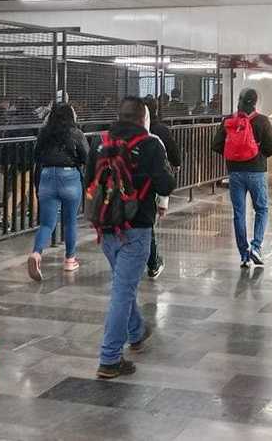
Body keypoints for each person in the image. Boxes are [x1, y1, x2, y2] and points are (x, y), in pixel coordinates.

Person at [88, 97, 176, 379]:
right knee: (122, 292)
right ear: (143, 119)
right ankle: (110, 358)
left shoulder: (99, 142)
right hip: (135, 228)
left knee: (123, 286)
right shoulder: (149, 145)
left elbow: (90, 179)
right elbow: (166, 184)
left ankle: (136, 330)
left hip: (105, 227)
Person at [211, 89, 272, 268]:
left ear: (239, 101)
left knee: (239, 214)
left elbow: (216, 145)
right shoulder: (263, 121)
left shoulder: (228, 121)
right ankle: (255, 247)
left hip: (235, 173)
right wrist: (258, 154)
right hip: (256, 172)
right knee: (262, 210)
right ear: (255, 102)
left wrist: (232, 155)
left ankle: (244, 255)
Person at [28, 104, 88, 280]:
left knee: (47, 224)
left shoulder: (44, 133)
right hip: (69, 176)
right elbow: (86, 156)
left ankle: (36, 253)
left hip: (47, 176)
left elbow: (36, 155)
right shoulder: (76, 133)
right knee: (70, 222)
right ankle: (70, 260)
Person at [145, 98, 182, 279]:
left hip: (126, 188)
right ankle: (153, 262)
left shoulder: (120, 135)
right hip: (153, 183)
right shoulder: (159, 134)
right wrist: (177, 163)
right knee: (147, 222)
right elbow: (172, 158)